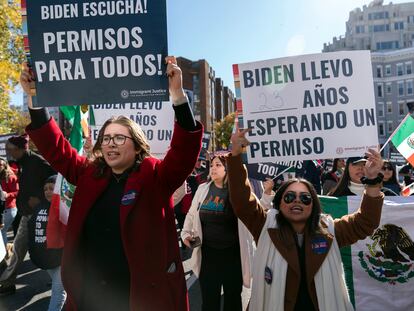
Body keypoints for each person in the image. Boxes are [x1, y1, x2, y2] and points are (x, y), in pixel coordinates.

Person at [20, 57, 203, 311]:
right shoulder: (88, 174)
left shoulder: (155, 175)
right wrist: (34, 100)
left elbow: (184, 151)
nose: (110, 143)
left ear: (137, 145)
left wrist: (178, 96)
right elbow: (56, 149)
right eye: (106, 138)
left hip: (140, 300)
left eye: (119, 137)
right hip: (91, 298)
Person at [227, 128, 384, 311]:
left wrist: (372, 180)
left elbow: (365, 222)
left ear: (313, 205)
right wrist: (236, 153)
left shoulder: (329, 230)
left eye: (305, 198)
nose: (297, 201)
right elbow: (241, 202)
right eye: (289, 197)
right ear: (279, 203)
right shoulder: (265, 225)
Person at [181, 155, 254, 311]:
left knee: (232, 301)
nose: (213, 168)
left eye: (218, 165)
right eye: (212, 165)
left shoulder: (239, 192)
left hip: (233, 257)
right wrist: (185, 234)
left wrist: (267, 194)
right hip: (208, 255)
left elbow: (257, 213)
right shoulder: (203, 189)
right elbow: (192, 214)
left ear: (227, 169)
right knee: (209, 302)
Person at [0, 134, 55, 296]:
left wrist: (39, 197)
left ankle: (60, 280)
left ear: (20, 149)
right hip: (27, 213)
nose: (8, 153)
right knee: (19, 248)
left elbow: (55, 178)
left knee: (45, 248)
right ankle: (7, 282)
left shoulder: (38, 162)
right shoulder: (22, 163)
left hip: (39, 214)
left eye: (10, 149)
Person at [28, 175, 66, 311]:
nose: (48, 191)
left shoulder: (65, 208)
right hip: (46, 259)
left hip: (62, 258)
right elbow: (32, 232)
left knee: (58, 292)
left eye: (52, 188)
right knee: (61, 289)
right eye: (45, 189)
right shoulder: (39, 208)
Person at [0, 157, 19, 248]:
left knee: (2, 231)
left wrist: (7, 195)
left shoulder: (10, 177)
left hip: (9, 209)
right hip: (2, 209)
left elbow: (17, 192)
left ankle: (4, 255)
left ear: (4, 165)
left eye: (0, 165)